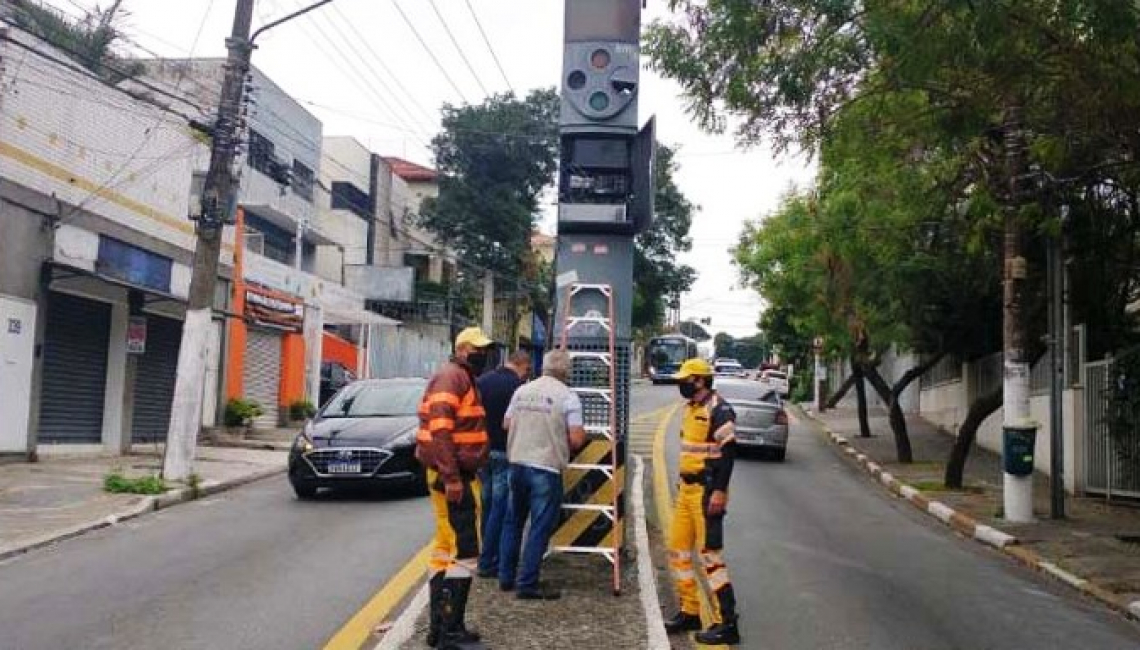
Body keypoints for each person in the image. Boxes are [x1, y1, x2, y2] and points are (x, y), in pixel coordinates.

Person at [416, 327, 493, 650]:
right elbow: (441, 429)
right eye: (476, 348)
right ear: (461, 349)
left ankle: (440, 628)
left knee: (446, 550)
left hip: (453, 474)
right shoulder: (452, 378)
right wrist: (451, 478)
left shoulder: (459, 376)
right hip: (453, 476)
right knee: (465, 552)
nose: (482, 354)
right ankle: (450, 632)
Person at [663, 358, 742, 645]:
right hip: (686, 491)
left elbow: (729, 452)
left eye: (686, 379)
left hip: (708, 492)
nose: (681, 384)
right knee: (678, 550)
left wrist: (720, 491)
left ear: (700, 380)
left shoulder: (718, 409)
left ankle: (728, 623)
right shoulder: (690, 409)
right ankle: (690, 610)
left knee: (710, 556)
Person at [498, 349, 586, 600]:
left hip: (516, 462)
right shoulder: (568, 397)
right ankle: (527, 583)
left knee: (513, 522)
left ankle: (506, 577)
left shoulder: (522, 390)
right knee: (539, 526)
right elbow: (577, 438)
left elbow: (506, 424)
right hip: (545, 467)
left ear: (544, 367)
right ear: (566, 371)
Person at [476, 350, 532, 578]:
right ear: (521, 365)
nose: (527, 375)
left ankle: (485, 553)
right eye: (527, 370)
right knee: (500, 508)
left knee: (487, 505)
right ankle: (490, 559)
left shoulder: (482, 381)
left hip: (482, 451)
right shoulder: (518, 389)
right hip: (505, 451)